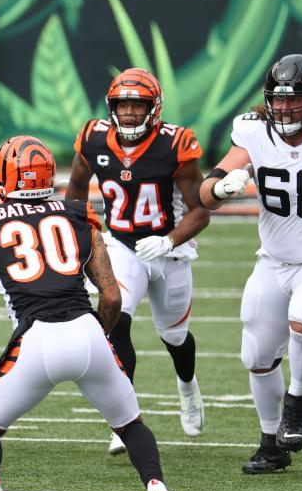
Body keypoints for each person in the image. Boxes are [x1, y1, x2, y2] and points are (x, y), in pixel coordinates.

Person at [0, 136, 189, 491]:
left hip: (36, 339)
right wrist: (98, 335)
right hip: (86, 330)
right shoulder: (80, 214)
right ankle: (156, 487)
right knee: (131, 425)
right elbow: (112, 295)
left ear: (1, 179)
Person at [200, 54, 302, 474]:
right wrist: (222, 187)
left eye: (294, 100)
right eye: (277, 101)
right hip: (274, 259)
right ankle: (270, 443)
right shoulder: (253, 131)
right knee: (256, 356)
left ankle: (297, 400)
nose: (284, 109)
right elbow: (205, 193)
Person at [66, 68, 208, 454]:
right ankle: (124, 418)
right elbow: (77, 187)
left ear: (154, 107)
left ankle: (187, 386)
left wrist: (168, 240)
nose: (129, 112)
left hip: (171, 249)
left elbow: (200, 211)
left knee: (174, 335)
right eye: (122, 104)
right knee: (117, 314)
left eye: (137, 104)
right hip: (124, 245)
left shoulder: (175, 144)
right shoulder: (94, 137)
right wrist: (82, 228)